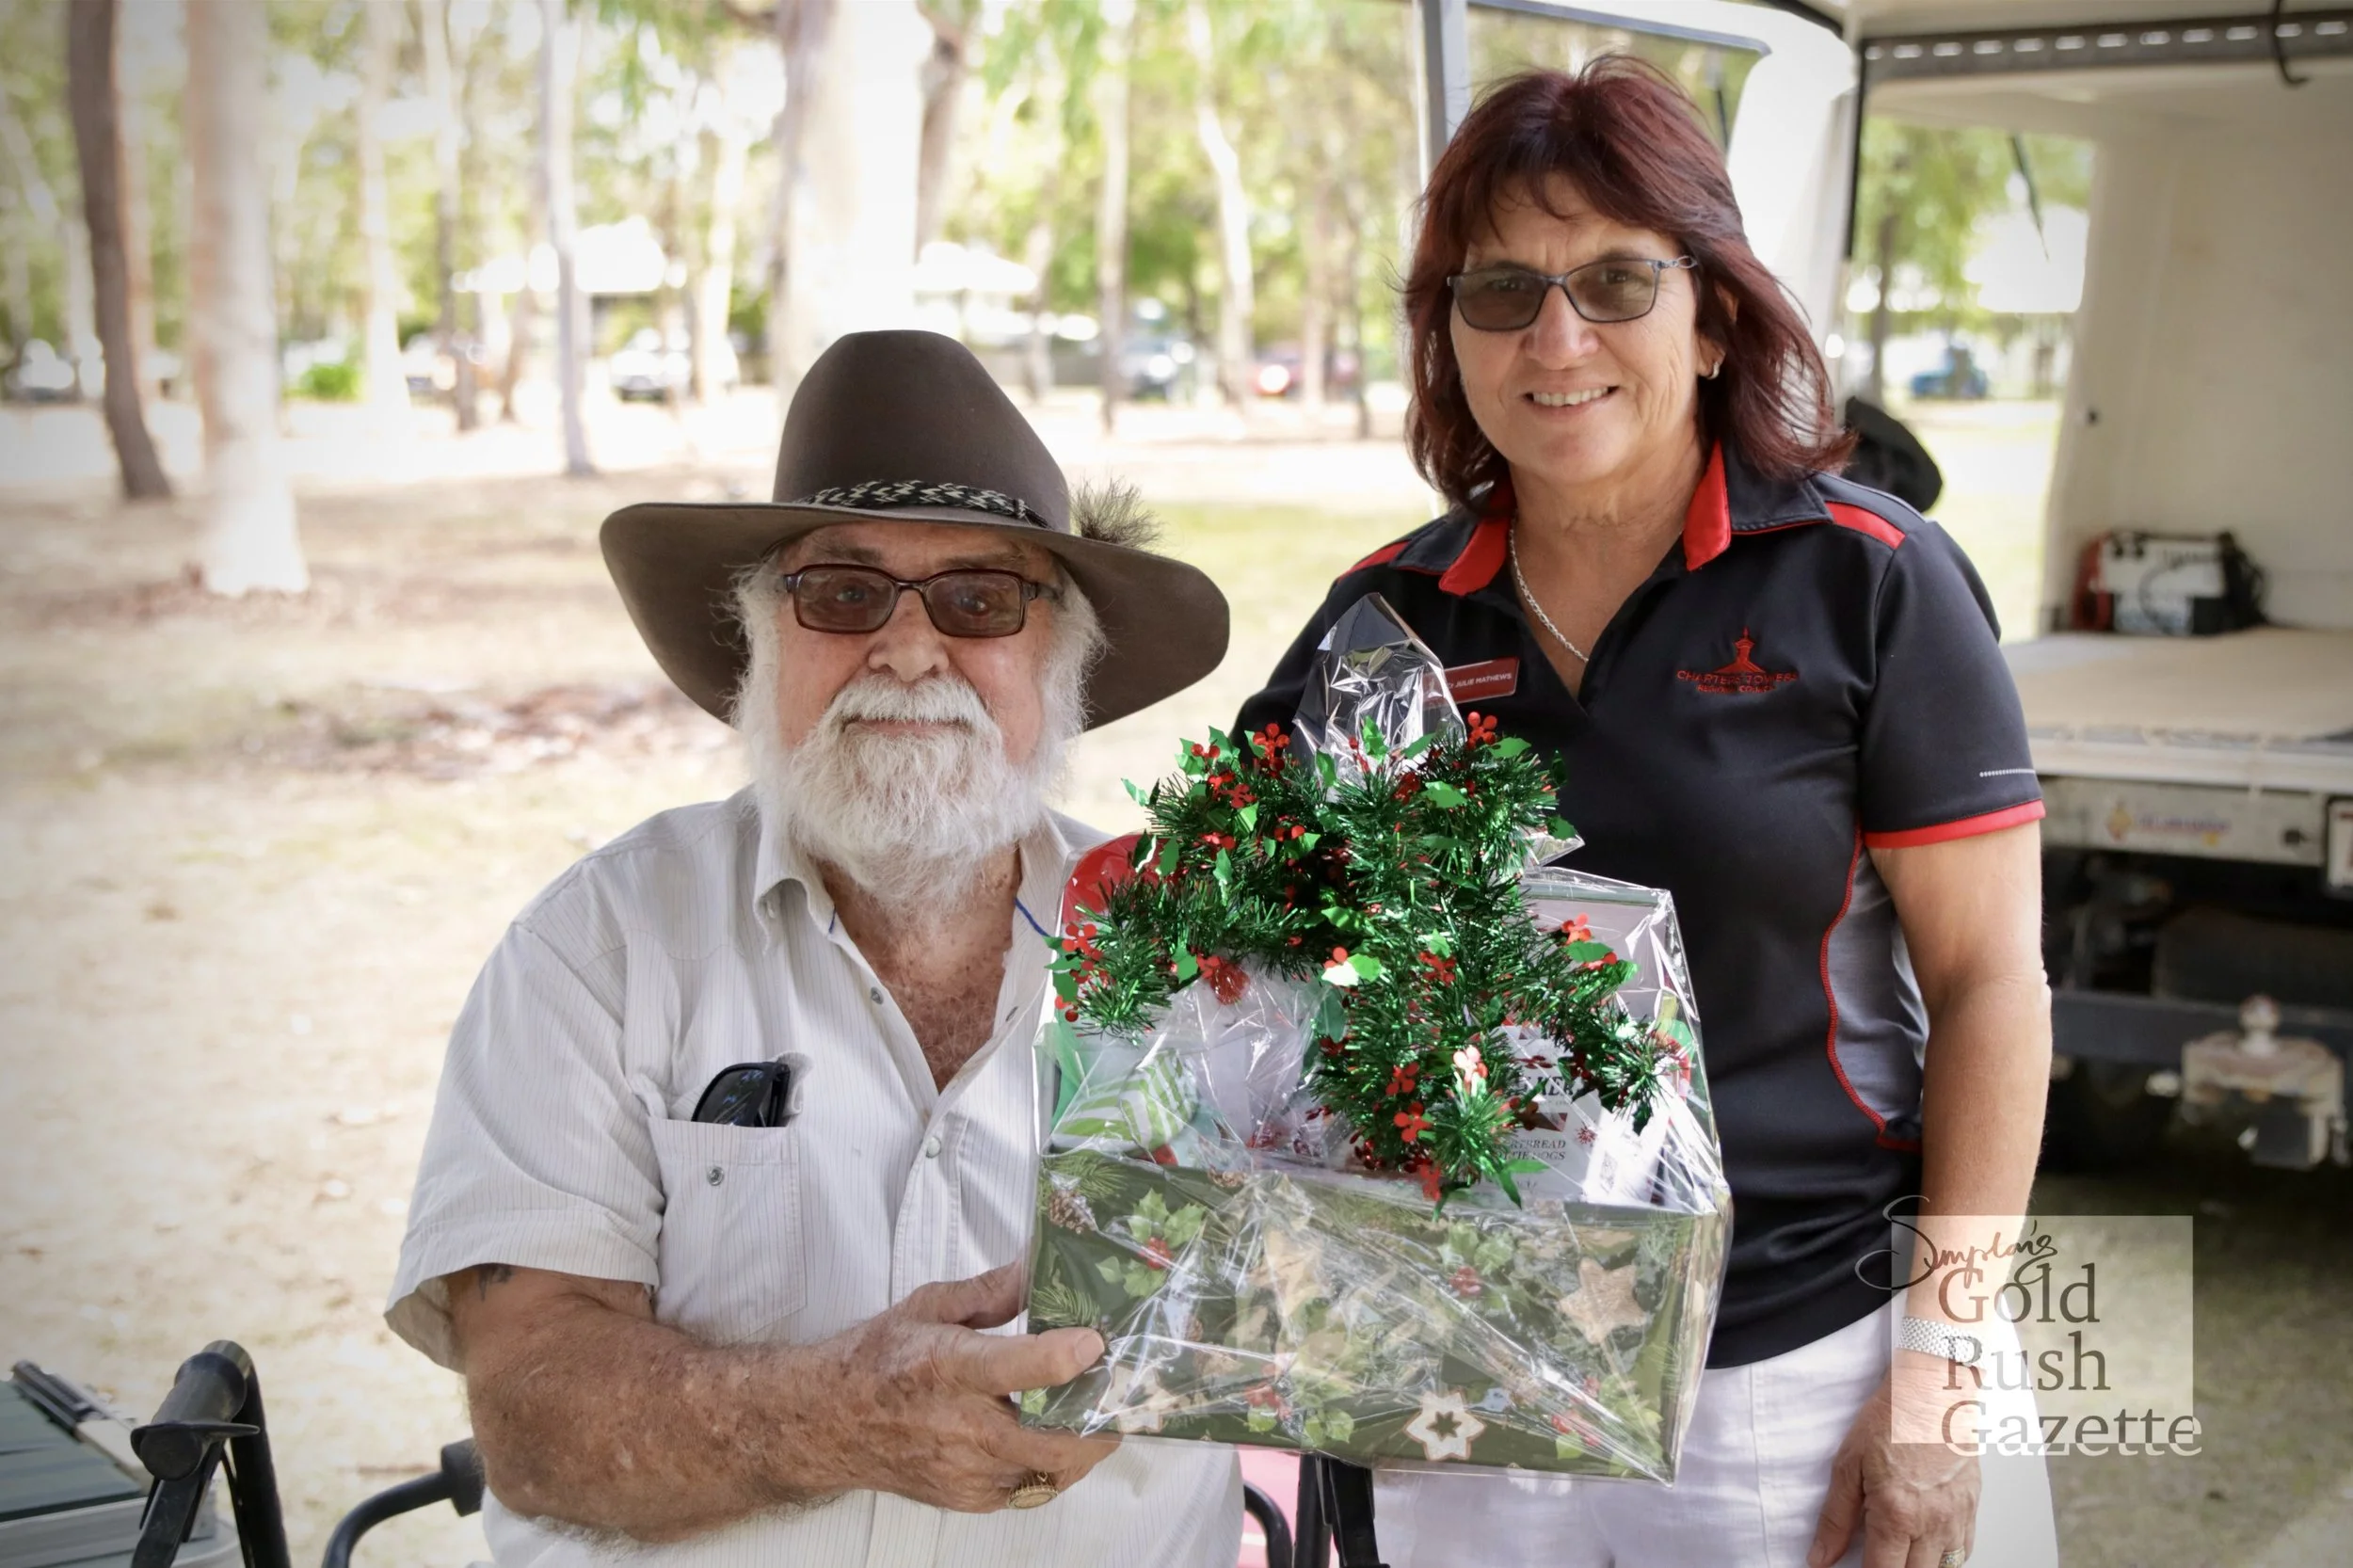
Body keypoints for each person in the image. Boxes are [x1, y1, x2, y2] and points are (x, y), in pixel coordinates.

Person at [1237, 62, 2057, 1568]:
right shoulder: (1385, 618)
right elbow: (1247, 964)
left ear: (1717, 308)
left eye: (1617, 280)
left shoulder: (1869, 579)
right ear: (1450, 330)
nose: (1558, 340)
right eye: (1501, 292)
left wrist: (1938, 1380)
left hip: (1793, 1365)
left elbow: (1994, 984)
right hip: (1459, 1374)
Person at [387, 329, 1242, 1566]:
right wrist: (835, 1418)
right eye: (841, 593)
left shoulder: (1216, 961)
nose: (907, 649)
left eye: (979, 599)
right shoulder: (598, 946)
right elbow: (533, 1419)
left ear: (1060, 653)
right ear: (763, 642)